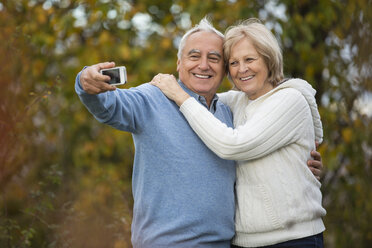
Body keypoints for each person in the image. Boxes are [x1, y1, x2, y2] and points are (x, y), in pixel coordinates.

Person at [75, 18, 323, 248]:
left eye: (214, 58)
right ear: (179, 62)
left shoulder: (228, 110)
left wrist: (298, 164)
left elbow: (247, 140)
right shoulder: (153, 98)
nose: (203, 65)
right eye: (194, 56)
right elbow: (111, 107)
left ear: (223, 69)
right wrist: (87, 83)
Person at [150, 18, 326, 248]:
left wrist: (178, 95)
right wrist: (167, 90)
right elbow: (200, 99)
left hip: (291, 240)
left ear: (269, 59)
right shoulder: (237, 101)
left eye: (250, 59)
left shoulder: (289, 100)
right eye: (233, 63)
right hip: (243, 241)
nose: (242, 69)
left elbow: (233, 145)